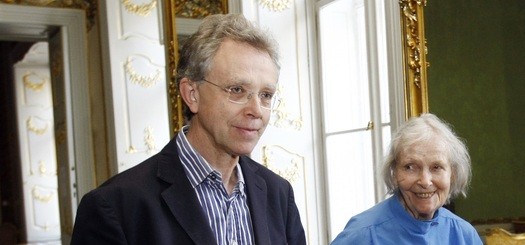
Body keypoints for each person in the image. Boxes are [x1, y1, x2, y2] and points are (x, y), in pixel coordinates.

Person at [71, 13, 306, 245]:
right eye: (237, 90)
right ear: (192, 94)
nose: (256, 110)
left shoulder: (278, 194)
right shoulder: (115, 206)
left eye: (266, 95)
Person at [331, 113, 482, 244]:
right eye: (410, 167)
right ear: (394, 173)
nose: (425, 181)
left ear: (452, 174)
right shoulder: (362, 235)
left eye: (436, 167)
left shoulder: (465, 236)